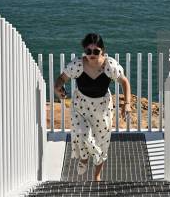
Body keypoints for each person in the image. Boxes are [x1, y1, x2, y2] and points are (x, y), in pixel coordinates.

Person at [54, 33, 132, 181]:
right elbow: (62, 78)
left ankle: (97, 176)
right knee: (82, 135)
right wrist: (57, 87)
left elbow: (124, 82)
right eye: (88, 51)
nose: (92, 54)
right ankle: (84, 158)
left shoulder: (109, 65)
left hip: (102, 109)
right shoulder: (77, 65)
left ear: (102, 50)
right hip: (81, 106)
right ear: (84, 50)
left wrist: (126, 104)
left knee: (102, 142)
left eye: (96, 51)